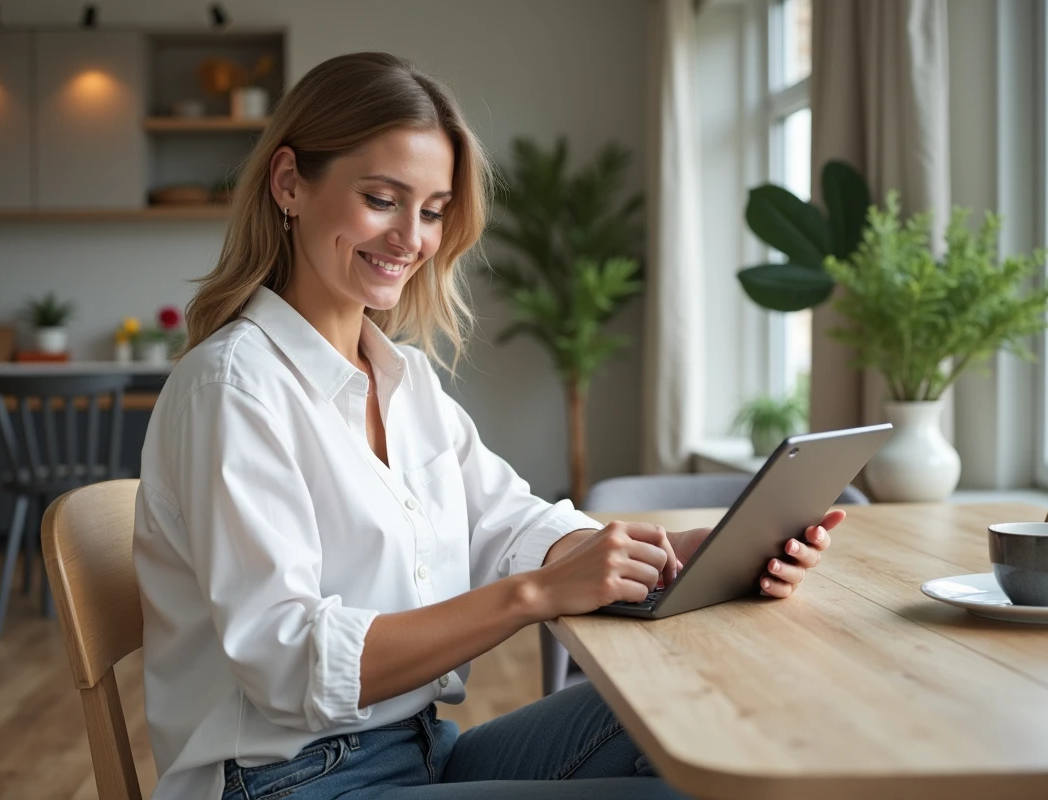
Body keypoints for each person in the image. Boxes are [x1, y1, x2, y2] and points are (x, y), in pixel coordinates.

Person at [133, 52, 842, 800]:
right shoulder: (233, 387)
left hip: (417, 749)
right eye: (382, 198)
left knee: (698, 709)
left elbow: (509, 524)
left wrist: (681, 557)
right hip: (289, 781)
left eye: (433, 210)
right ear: (289, 185)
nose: (412, 237)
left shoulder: (405, 380)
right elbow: (286, 663)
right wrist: (535, 595)